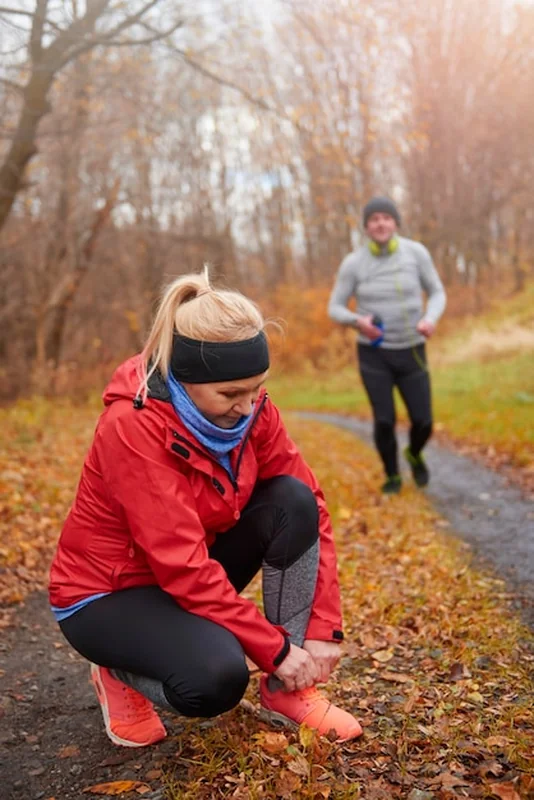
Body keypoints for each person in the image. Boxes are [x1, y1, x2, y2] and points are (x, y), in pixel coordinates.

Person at [49, 268, 363, 748]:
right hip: (107, 595)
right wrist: (274, 647)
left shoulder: (254, 411)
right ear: (187, 379)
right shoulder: (132, 427)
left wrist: (321, 630)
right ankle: (119, 670)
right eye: (230, 394)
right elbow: (183, 566)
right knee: (214, 680)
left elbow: (311, 507)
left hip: (184, 579)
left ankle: (289, 690)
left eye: (256, 388)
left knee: (292, 501)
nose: (247, 406)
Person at [328, 196, 446, 494]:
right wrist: (358, 322)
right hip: (374, 353)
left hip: (412, 348)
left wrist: (430, 319)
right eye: (374, 219)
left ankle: (414, 453)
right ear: (366, 227)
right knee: (384, 420)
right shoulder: (353, 263)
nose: (380, 223)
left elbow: (437, 292)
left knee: (424, 421)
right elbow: (335, 307)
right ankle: (393, 475)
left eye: (386, 218)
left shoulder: (415, 253)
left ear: (395, 223)